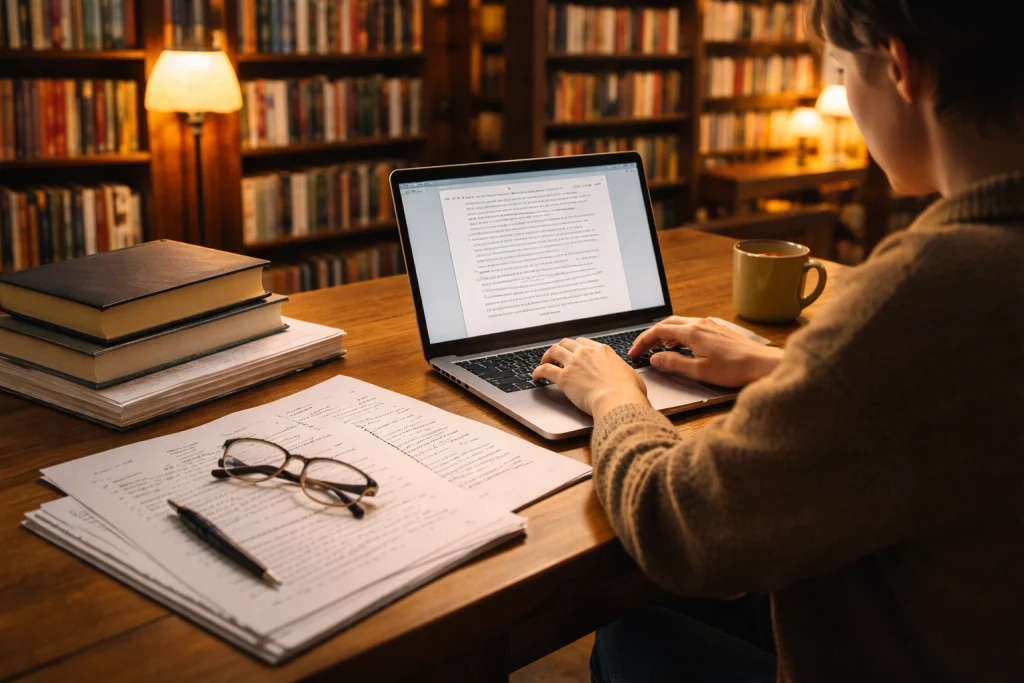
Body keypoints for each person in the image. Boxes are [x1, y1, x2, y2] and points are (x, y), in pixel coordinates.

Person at [531, 0, 1024, 680]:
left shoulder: (924, 286)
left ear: (900, 66)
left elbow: (680, 524)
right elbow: (952, 397)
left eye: (844, 68)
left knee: (629, 631)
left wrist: (614, 394)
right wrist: (783, 364)